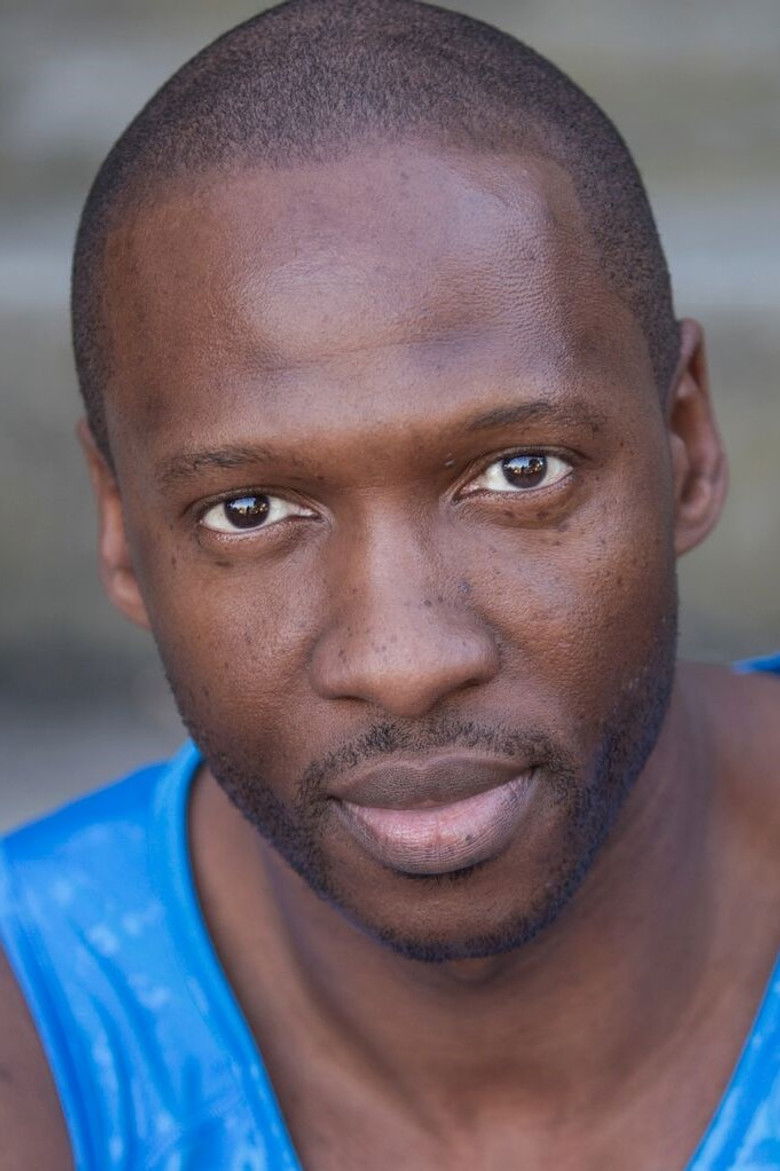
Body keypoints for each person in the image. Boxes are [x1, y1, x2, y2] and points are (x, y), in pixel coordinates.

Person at [1, 0, 778, 1166]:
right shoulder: (39, 1017)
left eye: (523, 473)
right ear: (122, 530)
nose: (405, 661)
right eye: (249, 511)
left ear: (686, 443)